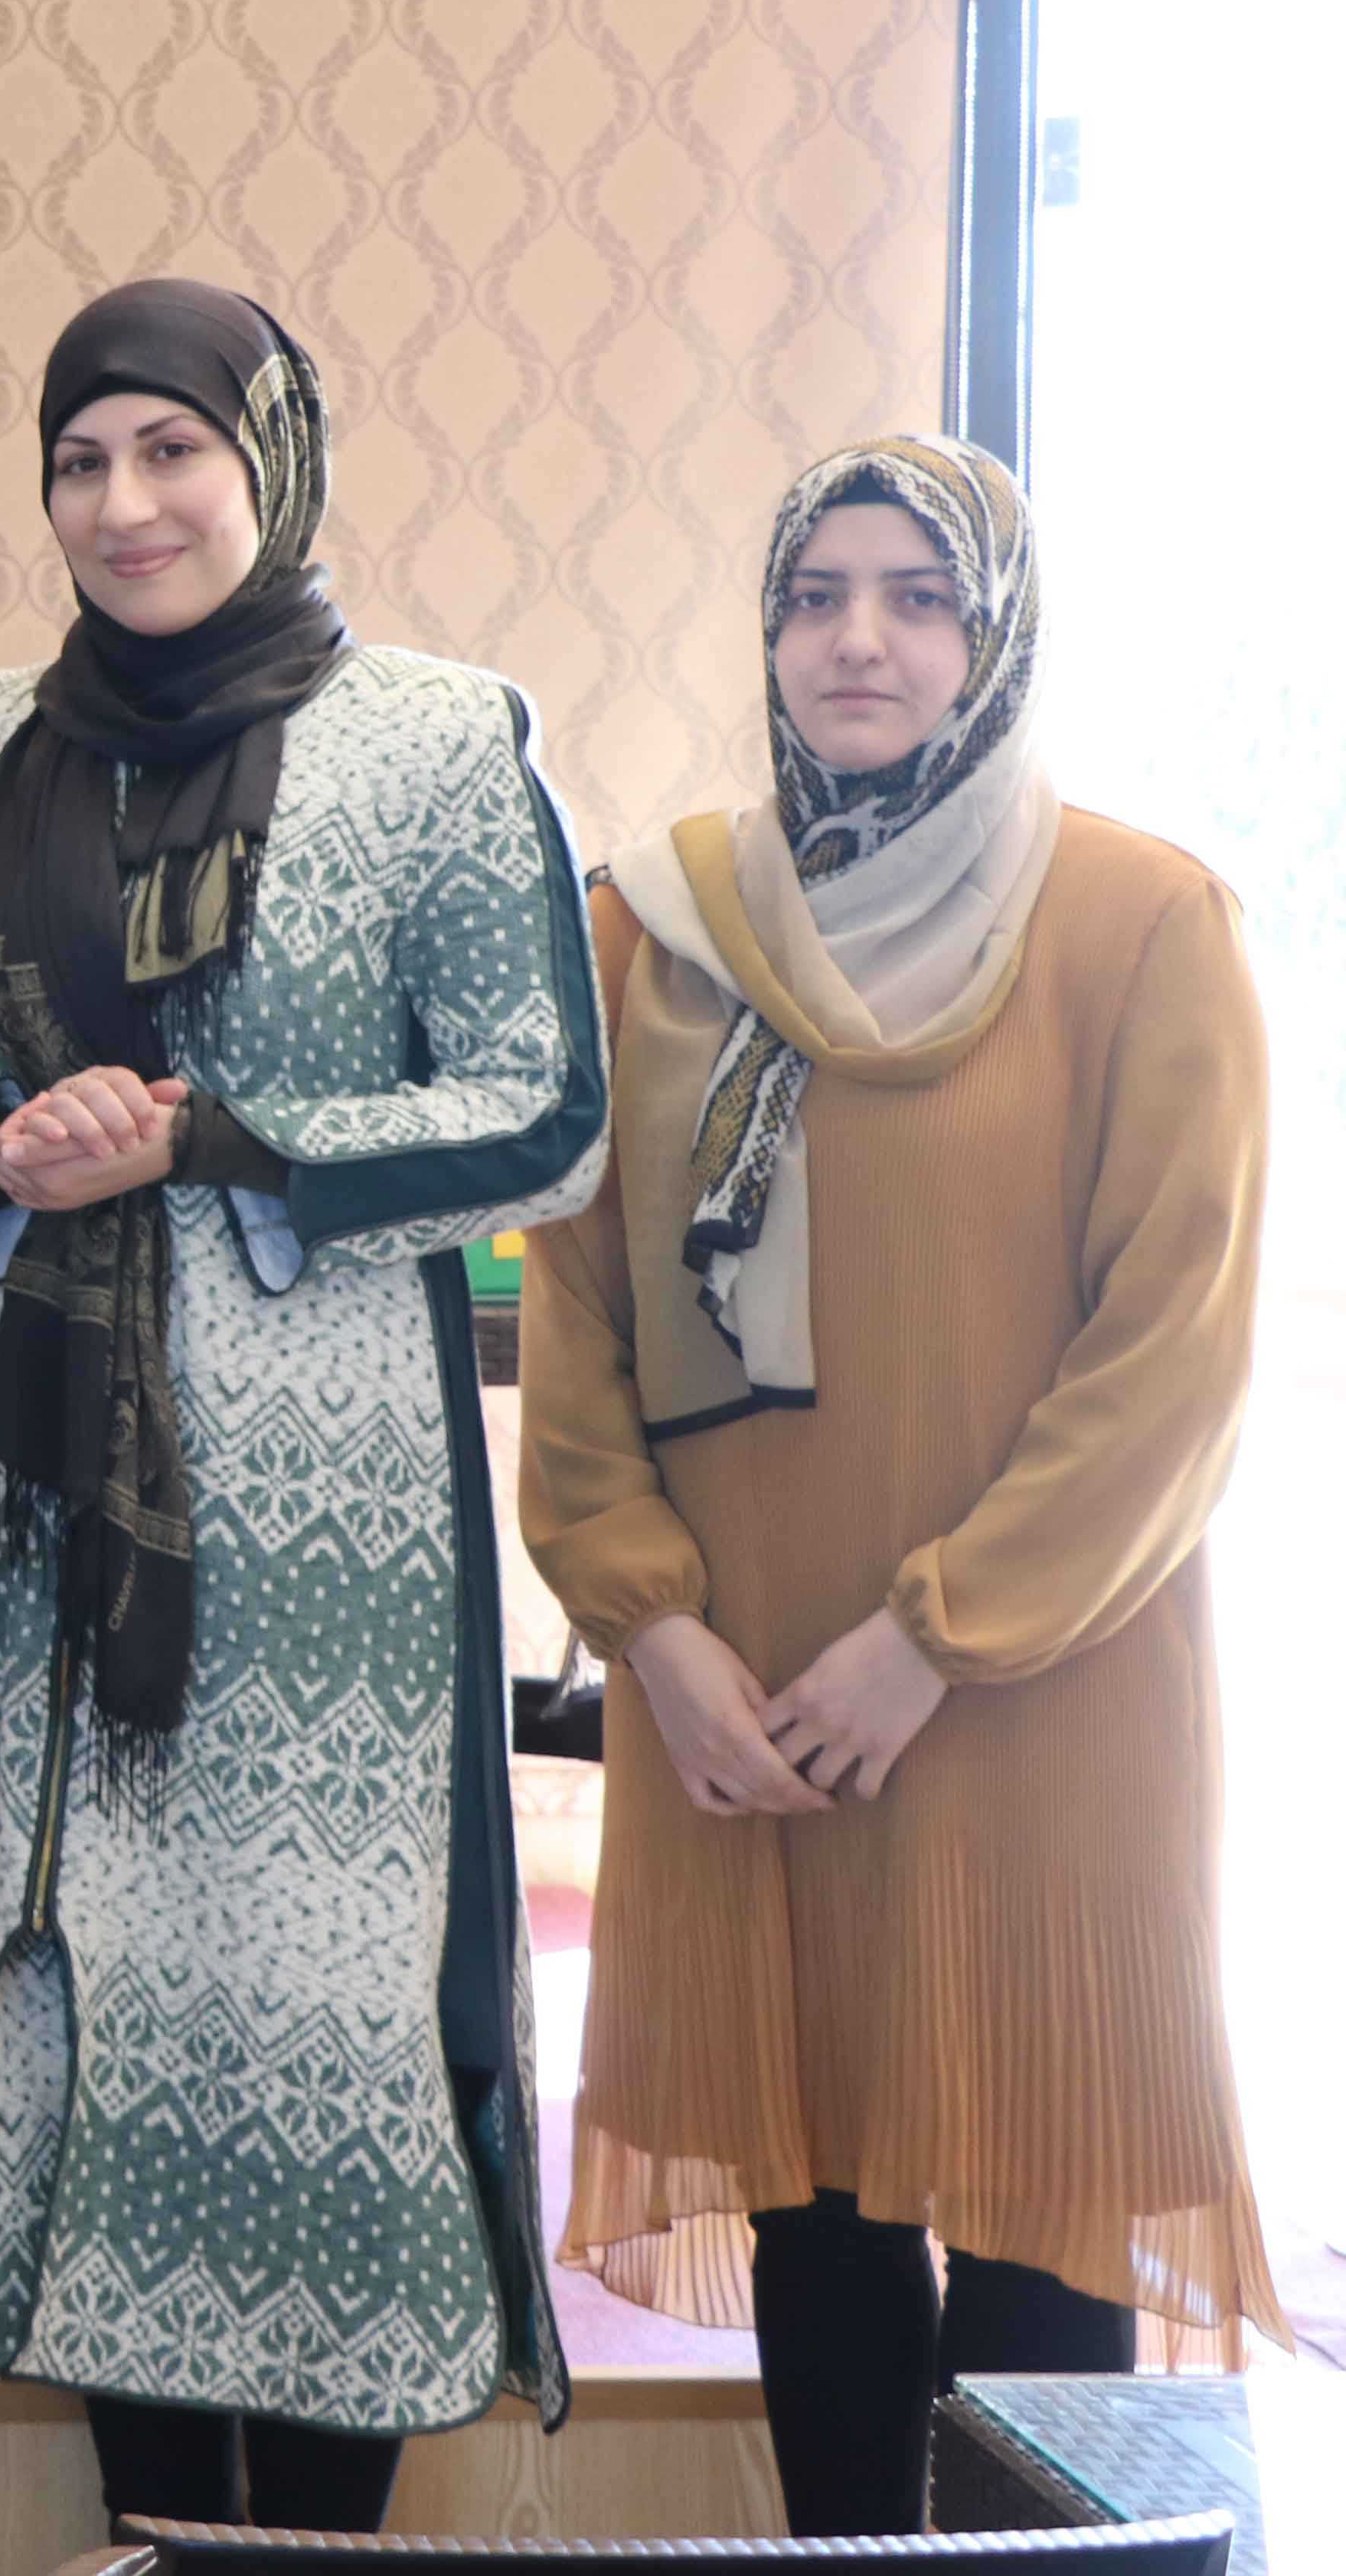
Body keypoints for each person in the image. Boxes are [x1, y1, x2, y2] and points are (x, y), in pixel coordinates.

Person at [0, 282, 603, 2534]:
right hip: (49, 1503)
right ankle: (158, 2534)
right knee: (100, 2024)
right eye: (81, 459)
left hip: (332, 1511)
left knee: (321, 2025)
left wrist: (212, 1137)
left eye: (174, 448)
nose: (125, 502)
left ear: (276, 462)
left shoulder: (438, 742)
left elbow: (543, 1110)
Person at [519, 436, 1285, 2534]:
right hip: (745, 1690)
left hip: (1043, 1688)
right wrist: (652, 1629)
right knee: (820, 2205)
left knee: (1042, 2204)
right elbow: (573, 1310)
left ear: (998, 633)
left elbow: (1178, 1348)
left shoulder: (1143, 921)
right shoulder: (656, 931)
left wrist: (937, 1635)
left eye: (921, 596)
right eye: (815, 594)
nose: (858, 640)